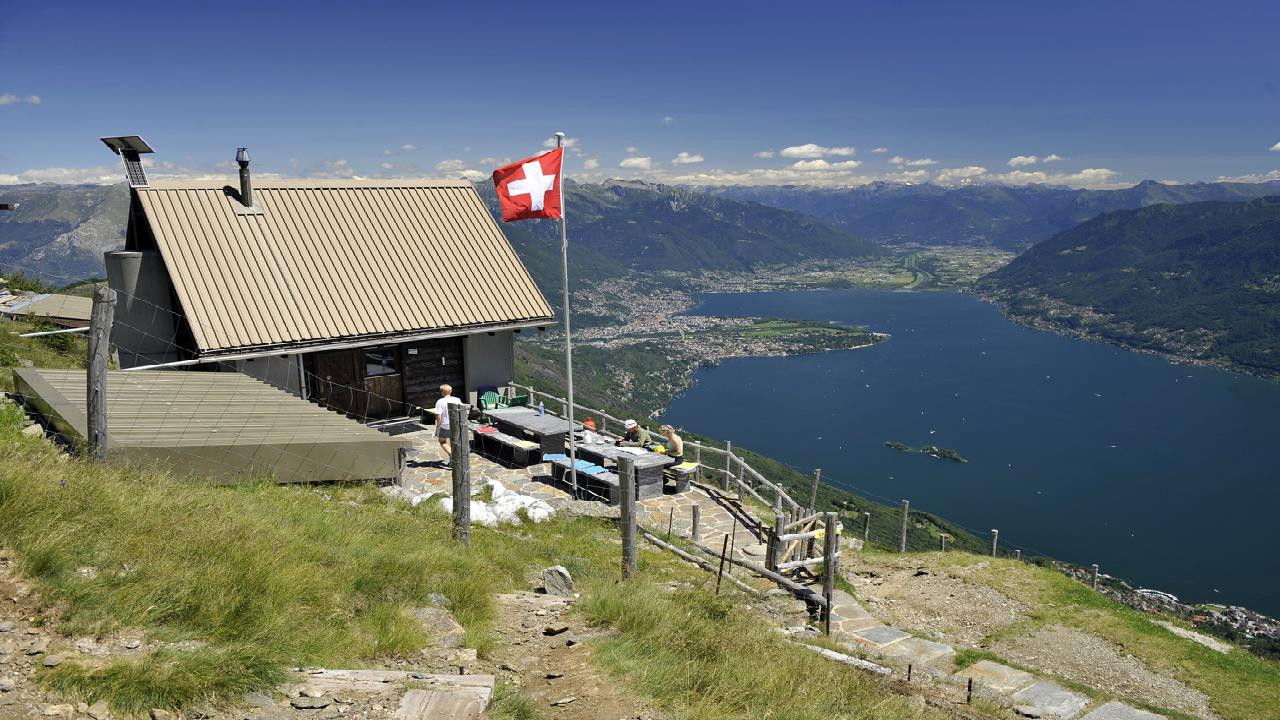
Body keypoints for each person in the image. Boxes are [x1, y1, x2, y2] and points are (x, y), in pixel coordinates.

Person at [434, 384, 463, 466]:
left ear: (442, 392)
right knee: (455, 441)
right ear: (451, 391)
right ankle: (456, 458)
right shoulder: (457, 399)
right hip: (456, 424)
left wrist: (438, 425)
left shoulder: (440, 401)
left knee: (442, 441)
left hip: (445, 425)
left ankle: (452, 455)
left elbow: (439, 415)